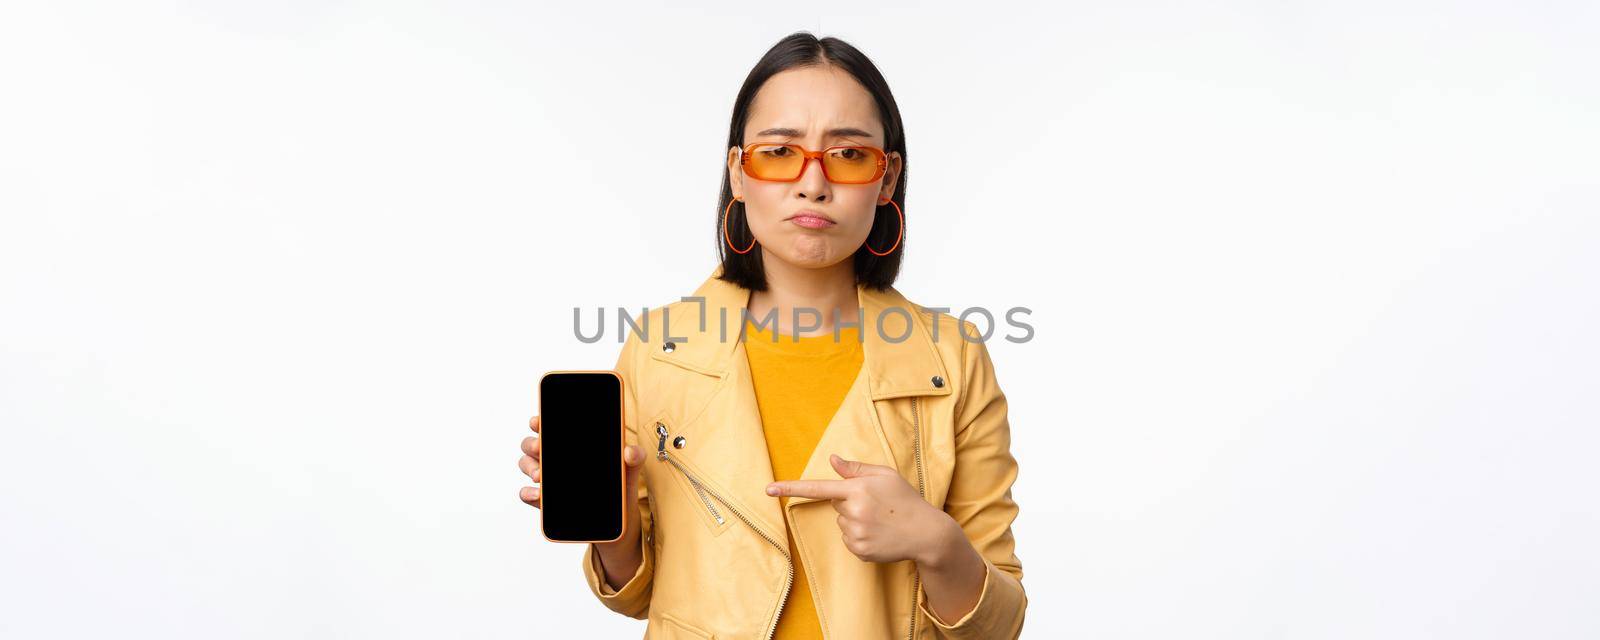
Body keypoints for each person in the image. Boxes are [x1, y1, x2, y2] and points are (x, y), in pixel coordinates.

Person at [519, 31, 1026, 639]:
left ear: (886, 180)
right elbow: (639, 597)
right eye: (780, 152)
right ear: (738, 171)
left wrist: (937, 542)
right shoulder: (659, 349)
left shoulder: (954, 358)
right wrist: (619, 528)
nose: (813, 183)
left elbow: (998, 626)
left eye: (849, 155)